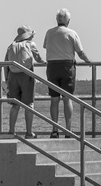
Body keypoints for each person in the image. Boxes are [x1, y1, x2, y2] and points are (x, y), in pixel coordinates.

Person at [42, 8, 90, 137]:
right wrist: (88, 61)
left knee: (54, 99)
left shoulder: (49, 32)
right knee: (67, 99)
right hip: (67, 67)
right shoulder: (72, 33)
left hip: (52, 66)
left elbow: (46, 46)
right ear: (68, 20)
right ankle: (68, 129)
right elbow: (80, 52)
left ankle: (54, 129)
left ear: (56, 20)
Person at [3, 26, 44, 137]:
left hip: (12, 76)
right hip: (27, 75)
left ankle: (11, 131)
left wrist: (7, 80)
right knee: (29, 104)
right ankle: (29, 132)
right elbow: (38, 58)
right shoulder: (30, 45)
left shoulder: (10, 46)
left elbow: (6, 64)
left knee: (15, 105)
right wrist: (45, 62)